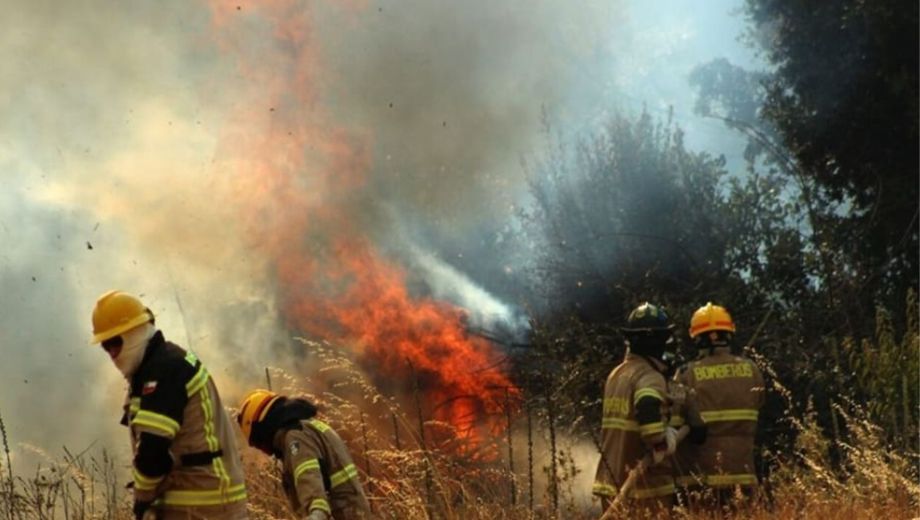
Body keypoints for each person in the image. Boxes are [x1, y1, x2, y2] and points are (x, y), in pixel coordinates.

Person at [90, 290, 248, 519]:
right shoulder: (159, 366)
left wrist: (143, 498)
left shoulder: (164, 370)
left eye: (115, 342)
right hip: (204, 503)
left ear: (136, 331)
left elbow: (153, 452)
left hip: (204, 506)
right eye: (106, 346)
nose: (112, 353)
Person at [592, 302, 683, 517]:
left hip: (610, 482)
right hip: (643, 489)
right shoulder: (650, 376)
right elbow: (648, 412)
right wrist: (663, 440)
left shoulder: (617, 374)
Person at [672, 302, 765, 510]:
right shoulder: (752, 370)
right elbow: (758, 405)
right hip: (744, 476)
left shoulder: (686, 373)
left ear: (697, 339)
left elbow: (673, 421)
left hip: (700, 481)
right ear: (728, 335)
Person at [237, 389, 371, 519]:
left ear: (263, 428)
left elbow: (308, 476)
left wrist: (316, 512)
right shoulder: (309, 426)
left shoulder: (296, 438)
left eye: (259, 443)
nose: (264, 451)